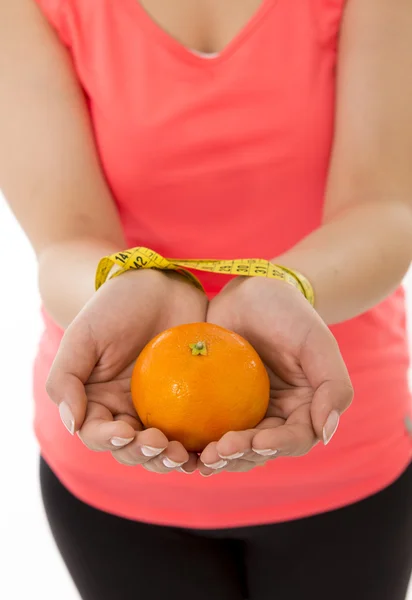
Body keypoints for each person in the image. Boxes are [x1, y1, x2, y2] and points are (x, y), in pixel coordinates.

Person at [1, 0, 412, 598]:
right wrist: (130, 283)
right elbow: (64, 238)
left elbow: (384, 210)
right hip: (116, 459)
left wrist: (281, 287)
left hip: (342, 445)